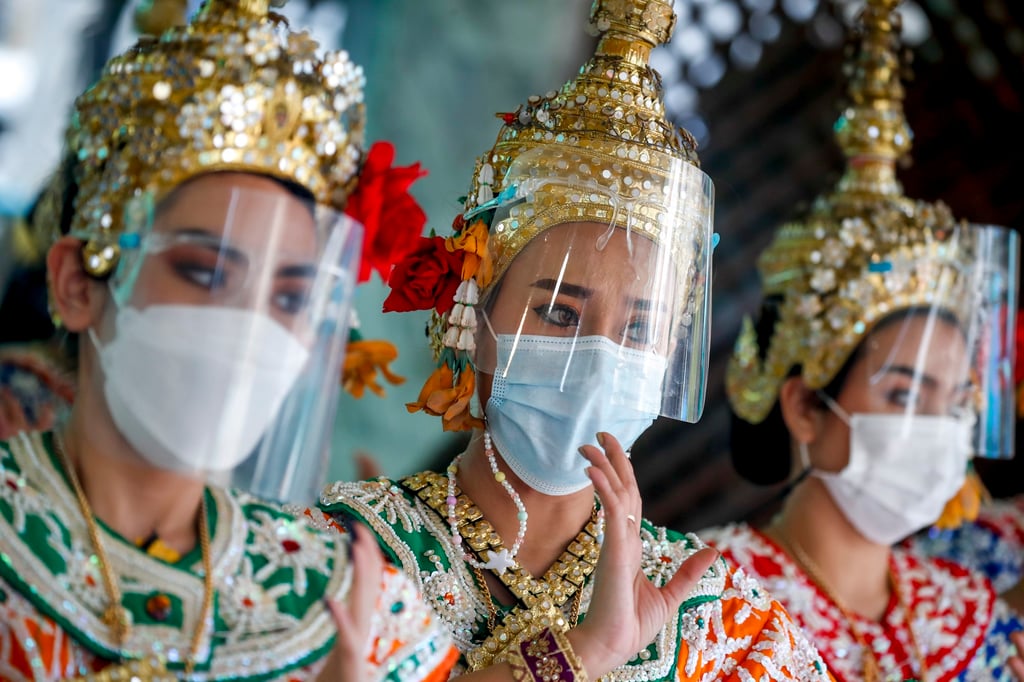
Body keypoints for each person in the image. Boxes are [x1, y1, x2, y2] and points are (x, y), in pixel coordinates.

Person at [316, 0, 831, 679]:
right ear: (474, 312)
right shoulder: (350, 556)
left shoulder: (723, 626)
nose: (601, 358)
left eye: (640, 329)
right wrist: (583, 656)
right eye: (559, 313)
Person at [0, 0, 458, 679]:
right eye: (204, 272)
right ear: (77, 283)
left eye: (293, 297)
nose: (250, 329)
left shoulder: (356, 606)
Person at [702, 1, 1023, 680]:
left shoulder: (969, 615)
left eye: (952, 399)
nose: (933, 427)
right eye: (903, 392)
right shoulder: (706, 592)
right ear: (804, 405)